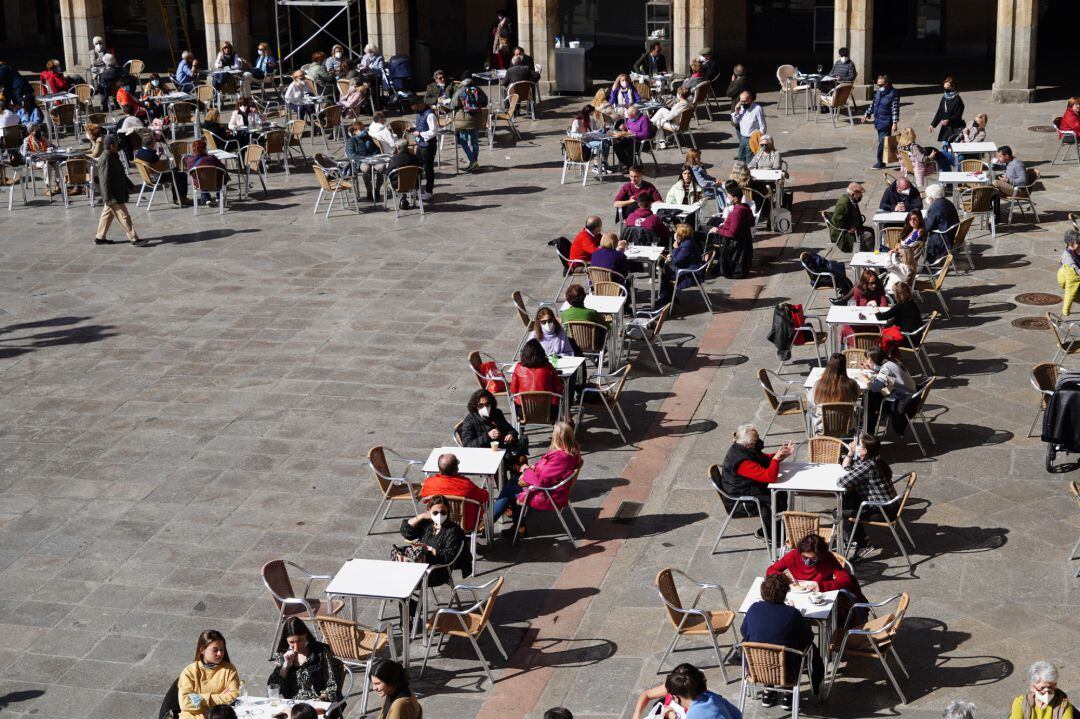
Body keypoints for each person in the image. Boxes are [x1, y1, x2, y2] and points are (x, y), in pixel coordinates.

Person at [740, 574, 821, 708]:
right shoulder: (792, 614)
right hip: (787, 671)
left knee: (763, 645)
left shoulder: (753, 608)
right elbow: (808, 638)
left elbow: (744, 632)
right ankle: (787, 693)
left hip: (755, 668)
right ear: (785, 593)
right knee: (803, 646)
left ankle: (767, 692)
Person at [497, 421, 582, 532]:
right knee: (513, 482)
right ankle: (519, 526)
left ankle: (485, 522)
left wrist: (526, 470)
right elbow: (548, 473)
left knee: (509, 491)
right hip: (555, 489)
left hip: (548, 495)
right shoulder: (572, 452)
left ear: (557, 438)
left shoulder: (560, 457)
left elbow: (541, 481)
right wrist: (531, 469)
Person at [718, 424, 795, 541]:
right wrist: (775, 459)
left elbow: (764, 459)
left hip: (748, 488)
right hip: (741, 500)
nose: (760, 440)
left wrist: (781, 456)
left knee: (780, 492)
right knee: (773, 498)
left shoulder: (745, 449)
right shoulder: (742, 461)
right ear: (749, 444)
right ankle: (773, 536)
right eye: (756, 439)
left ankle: (771, 529)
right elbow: (769, 477)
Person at [839, 433, 896, 555]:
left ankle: (863, 543)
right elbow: (848, 469)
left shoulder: (867, 465)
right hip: (890, 506)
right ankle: (854, 536)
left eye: (859, 444)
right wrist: (850, 453)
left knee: (839, 512)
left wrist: (850, 457)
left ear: (864, 450)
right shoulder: (875, 459)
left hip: (883, 511)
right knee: (848, 499)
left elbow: (842, 482)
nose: (856, 446)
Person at [267, 618, 343, 707]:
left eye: (299, 640)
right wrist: (285, 666)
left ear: (306, 635)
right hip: (292, 705)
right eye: (291, 642)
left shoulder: (320, 651)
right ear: (286, 640)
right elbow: (273, 687)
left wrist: (321, 699)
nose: (296, 647)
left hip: (318, 704)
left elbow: (332, 683)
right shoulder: (282, 655)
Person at [767, 533, 866, 601]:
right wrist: (783, 577)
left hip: (819, 596)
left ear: (821, 555)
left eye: (813, 558)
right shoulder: (793, 555)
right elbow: (771, 570)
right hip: (797, 596)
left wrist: (821, 586)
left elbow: (846, 579)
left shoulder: (828, 558)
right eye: (804, 557)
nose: (808, 560)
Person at [401, 494, 471, 583]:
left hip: (438, 571)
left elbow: (448, 556)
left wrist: (429, 549)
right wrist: (422, 516)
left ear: (448, 512)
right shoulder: (428, 525)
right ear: (429, 511)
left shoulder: (453, 531)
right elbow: (406, 532)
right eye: (435, 513)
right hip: (422, 566)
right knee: (399, 572)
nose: (439, 515)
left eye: (443, 512)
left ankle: (405, 595)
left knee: (404, 578)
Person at [178, 630, 240, 719]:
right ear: (202, 650)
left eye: (222, 649)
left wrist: (198, 699)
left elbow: (233, 697)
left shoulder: (229, 670)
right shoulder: (189, 672)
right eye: (215, 650)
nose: (220, 653)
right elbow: (185, 703)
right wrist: (219, 698)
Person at [95, 135, 144, 247]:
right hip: (113, 195)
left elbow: (120, 174)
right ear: (111, 146)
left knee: (107, 215)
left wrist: (130, 185)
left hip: (115, 192)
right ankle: (134, 239)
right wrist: (108, 197)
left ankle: (100, 237)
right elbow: (104, 180)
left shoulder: (113, 155)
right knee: (124, 216)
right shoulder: (106, 159)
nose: (118, 145)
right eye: (116, 144)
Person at [419, 454, 488, 532]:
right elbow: (484, 496)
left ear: (439, 469)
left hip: (436, 521)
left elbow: (425, 501)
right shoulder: (466, 484)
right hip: (465, 524)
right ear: (457, 469)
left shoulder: (429, 483)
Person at [460, 388, 525, 464]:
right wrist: (487, 436)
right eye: (481, 405)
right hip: (485, 453)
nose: (485, 408)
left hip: (502, 448)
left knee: (522, 457)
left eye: (487, 404)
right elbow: (467, 445)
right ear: (475, 406)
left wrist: (511, 434)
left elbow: (510, 429)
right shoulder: (470, 421)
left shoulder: (497, 413)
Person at [861, 346, 916, 432]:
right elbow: (885, 378)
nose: (866, 361)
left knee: (870, 397)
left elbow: (875, 387)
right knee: (871, 397)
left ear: (874, 360)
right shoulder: (892, 361)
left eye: (868, 359)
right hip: (910, 396)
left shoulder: (886, 368)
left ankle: (867, 430)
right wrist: (872, 370)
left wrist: (864, 379)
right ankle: (864, 424)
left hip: (903, 401)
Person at [709, 180, 754, 279]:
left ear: (735, 198)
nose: (728, 198)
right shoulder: (746, 208)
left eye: (729, 196)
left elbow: (731, 233)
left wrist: (718, 230)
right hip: (744, 240)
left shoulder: (736, 213)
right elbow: (752, 223)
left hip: (731, 241)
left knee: (704, 236)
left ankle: (711, 264)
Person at [664, 662, 741, 719]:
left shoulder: (694, 714)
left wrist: (673, 717)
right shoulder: (712, 696)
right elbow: (737, 714)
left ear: (676, 698)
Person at [510, 339, 564, 419]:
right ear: (541, 353)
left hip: (524, 412)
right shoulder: (549, 367)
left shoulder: (519, 367)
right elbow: (559, 389)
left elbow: (513, 391)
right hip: (548, 411)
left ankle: (521, 429)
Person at [657, 223, 704, 305]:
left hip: (690, 273)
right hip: (689, 267)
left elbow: (676, 261)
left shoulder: (686, 245)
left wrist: (675, 249)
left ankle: (666, 298)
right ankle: (669, 297)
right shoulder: (688, 241)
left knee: (665, 275)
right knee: (666, 272)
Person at [135, 134, 189, 205]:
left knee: (175, 171)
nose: (155, 144)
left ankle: (177, 196)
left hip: (147, 176)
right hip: (156, 177)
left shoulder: (139, 152)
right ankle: (181, 198)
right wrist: (160, 154)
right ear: (150, 143)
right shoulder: (151, 155)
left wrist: (158, 154)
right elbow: (158, 165)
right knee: (182, 175)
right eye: (154, 142)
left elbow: (154, 160)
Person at [1009, 661, 1073, 719]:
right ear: (1032, 687)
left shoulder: (1064, 706)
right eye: (1042, 688)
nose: (1047, 693)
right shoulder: (1020, 703)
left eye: (1051, 687)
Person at [634, 663, 701, 719]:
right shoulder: (677, 685)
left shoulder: (700, 710)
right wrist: (636, 716)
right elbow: (646, 695)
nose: (673, 698)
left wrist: (672, 716)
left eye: (674, 697)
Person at [451, 71, 486, 173]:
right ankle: (474, 162)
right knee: (475, 143)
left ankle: (472, 161)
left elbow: (453, 105)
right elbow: (485, 101)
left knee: (463, 142)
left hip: (464, 121)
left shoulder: (460, 91)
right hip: (476, 120)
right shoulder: (478, 90)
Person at [863, 74, 899, 170]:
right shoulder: (879, 92)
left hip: (887, 122)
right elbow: (874, 104)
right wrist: (867, 114)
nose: (878, 87)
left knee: (882, 143)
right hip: (878, 121)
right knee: (882, 142)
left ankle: (880, 163)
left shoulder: (893, 93)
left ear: (887, 84)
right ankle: (882, 162)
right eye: (877, 85)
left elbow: (895, 109)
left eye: (881, 85)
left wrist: (895, 123)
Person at [828, 182, 872, 254]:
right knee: (867, 235)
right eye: (860, 193)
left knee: (870, 230)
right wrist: (848, 227)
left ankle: (868, 252)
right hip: (843, 232)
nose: (861, 195)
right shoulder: (843, 203)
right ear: (854, 193)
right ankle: (865, 255)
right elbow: (837, 220)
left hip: (854, 225)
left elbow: (857, 200)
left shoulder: (851, 199)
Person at [406, 95, 437, 199]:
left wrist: (419, 133)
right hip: (420, 145)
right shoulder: (419, 113)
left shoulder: (430, 115)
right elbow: (421, 127)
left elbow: (433, 131)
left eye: (415, 108)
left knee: (428, 169)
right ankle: (416, 189)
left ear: (420, 104)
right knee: (417, 167)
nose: (414, 110)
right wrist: (413, 129)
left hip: (428, 146)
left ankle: (429, 192)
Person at [345, 121, 383, 201]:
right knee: (366, 169)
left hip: (373, 159)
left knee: (382, 167)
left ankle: (377, 190)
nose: (363, 131)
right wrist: (363, 158)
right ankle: (369, 190)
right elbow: (350, 155)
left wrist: (374, 156)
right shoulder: (351, 141)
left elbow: (377, 150)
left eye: (363, 129)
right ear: (355, 131)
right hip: (361, 161)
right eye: (361, 129)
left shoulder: (369, 138)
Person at [185, 139, 229, 207]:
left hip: (200, 184)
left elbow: (191, 173)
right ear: (204, 149)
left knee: (201, 178)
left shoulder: (189, 160)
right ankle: (219, 197)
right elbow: (223, 167)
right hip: (215, 183)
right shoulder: (211, 158)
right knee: (221, 175)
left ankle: (207, 199)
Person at [923, 183, 958, 264]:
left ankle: (926, 262)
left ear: (931, 197)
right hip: (952, 234)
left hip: (944, 238)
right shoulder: (947, 202)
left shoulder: (935, 207)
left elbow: (928, 227)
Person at [613, 105, 655, 170]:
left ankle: (632, 167)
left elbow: (646, 134)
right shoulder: (630, 119)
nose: (630, 118)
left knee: (629, 148)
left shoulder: (644, 119)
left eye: (631, 117)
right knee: (617, 146)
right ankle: (629, 165)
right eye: (629, 117)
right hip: (631, 139)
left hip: (641, 141)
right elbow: (629, 128)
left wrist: (634, 134)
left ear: (636, 114)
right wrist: (624, 127)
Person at [992, 145, 1027, 221]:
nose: (998, 158)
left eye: (1000, 156)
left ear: (1007, 156)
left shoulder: (1017, 164)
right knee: (993, 189)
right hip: (1011, 187)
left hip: (1019, 190)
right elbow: (1001, 167)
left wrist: (1008, 180)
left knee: (995, 183)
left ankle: (990, 212)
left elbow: (1023, 180)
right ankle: (995, 216)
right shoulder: (1007, 162)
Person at [928, 76, 965, 144]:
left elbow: (957, 116)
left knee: (949, 149)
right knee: (945, 147)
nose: (945, 90)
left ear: (953, 87)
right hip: (946, 129)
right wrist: (933, 124)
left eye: (947, 88)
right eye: (944, 88)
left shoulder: (958, 100)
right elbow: (940, 112)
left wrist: (948, 120)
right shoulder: (945, 97)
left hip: (955, 129)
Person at [732, 90, 766, 164]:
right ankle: (741, 173)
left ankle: (749, 174)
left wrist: (759, 138)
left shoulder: (757, 109)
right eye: (741, 101)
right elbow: (735, 121)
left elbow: (762, 126)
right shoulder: (741, 107)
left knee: (749, 161)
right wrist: (736, 111)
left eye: (745, 101)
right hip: (743, 138)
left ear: (750, 100)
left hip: (752, 138)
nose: (743, 103)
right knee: (740, 159)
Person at [1059, 230, 1080, 315]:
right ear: (1071, 243)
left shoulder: (1075, 250)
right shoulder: (1067, 257)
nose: (1079, 245)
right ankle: (1065, 311)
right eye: (1078, 243)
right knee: (1072, 292)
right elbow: (1075, 269)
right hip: (1069, 278)